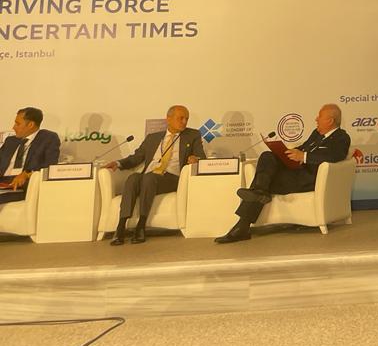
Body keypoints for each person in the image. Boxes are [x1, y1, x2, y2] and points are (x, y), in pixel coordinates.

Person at [215, 103, 351, 243]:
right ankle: (260, 192)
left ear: (330, 120)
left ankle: (244, 222)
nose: (316, 119)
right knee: (267, 156)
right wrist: (288, 152)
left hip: (309, 178)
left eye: (320, 116)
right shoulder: (316, 134)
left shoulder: (341, 137)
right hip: (295, 171)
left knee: (265, 181)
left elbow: (335, 156)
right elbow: (303, 147)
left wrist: (304, 157)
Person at [104, 104, 204, 245]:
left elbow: (201, 157)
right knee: (133, 178)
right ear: (168, 119)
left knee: (149, 178)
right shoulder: (152, 138)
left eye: (186, 119)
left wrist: (195, 159)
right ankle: (120, 227)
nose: (184, 122)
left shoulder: (192, 135)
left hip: (172, 178)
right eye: (180, 118)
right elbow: (137, 157)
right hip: (150, 175)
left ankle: (141, 226)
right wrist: (118, 163)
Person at [0, 107, 60, 204]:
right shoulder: (10, 141)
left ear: (30, 125)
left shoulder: (48, 138)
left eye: (18, 124)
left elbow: (50, 166)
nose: (13, 127)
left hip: (23, 185)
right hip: (3, 182)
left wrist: (27, 173)